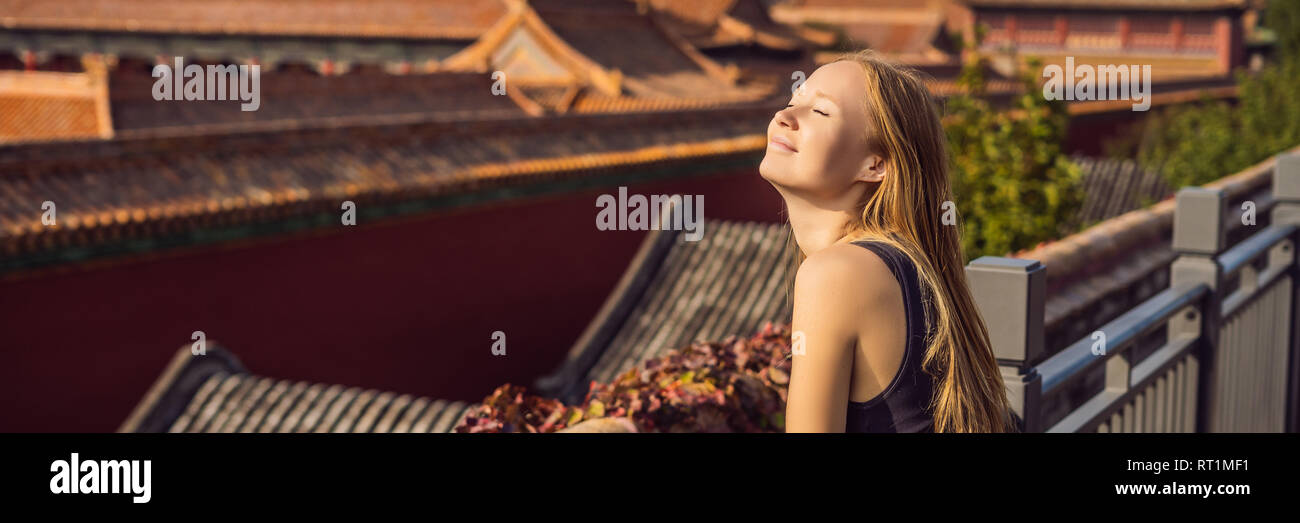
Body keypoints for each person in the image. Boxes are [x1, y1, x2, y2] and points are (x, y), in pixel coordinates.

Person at [761, 50, 1018, 433]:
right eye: (792, 101)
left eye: (820, 112)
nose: (784, 116)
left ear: (875, 164)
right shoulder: (905, 264)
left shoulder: (835, 273)